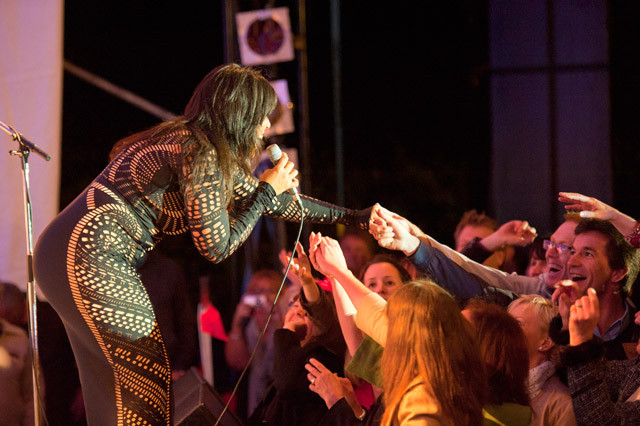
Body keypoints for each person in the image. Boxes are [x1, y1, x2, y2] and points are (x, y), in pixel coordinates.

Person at [32, 63, 373, 425]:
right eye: (261, 117)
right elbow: (218, 246)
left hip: (66, 252)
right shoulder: (199, 152)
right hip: (89, 252)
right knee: (146, 383)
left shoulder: (193, 146)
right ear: (239, 113)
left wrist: (355, 217)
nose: (266, 128)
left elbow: (278, 203)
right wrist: (266, 191)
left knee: (111, 390)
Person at [309, 235, 488, 425]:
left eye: (389, 283)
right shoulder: (413, 367)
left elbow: (374, 318)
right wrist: (336, 274)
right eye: (371, 285)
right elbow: (358, 340)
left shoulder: (423, 400)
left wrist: (340, 271)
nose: (380, 291)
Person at [561, 288, 640, 425]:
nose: (637, 319)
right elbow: (593, 375)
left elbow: (602, 421)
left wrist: (581, 341)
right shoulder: (635, 368)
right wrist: (566, 326)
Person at [507, 295, 576, 425]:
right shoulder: (496, 385)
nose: (504, 330)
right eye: (505, 322)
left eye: (517, 323)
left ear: (546, 342)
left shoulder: (562, 406)